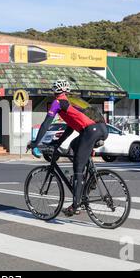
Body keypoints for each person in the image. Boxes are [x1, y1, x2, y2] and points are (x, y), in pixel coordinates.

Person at [27, 80, 108, 217]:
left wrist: (35, 142)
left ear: (54, 92)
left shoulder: (58, 102)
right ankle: (91, 179)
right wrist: (58, 143)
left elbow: (46, 124)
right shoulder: (71, 103)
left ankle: (76, 206)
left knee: (78, 166)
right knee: (75, 146)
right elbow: (70, 128)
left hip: (90, 131)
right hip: (101, 129)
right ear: (67, 91)